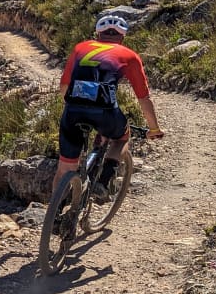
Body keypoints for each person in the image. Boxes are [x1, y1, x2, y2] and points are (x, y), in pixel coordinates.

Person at [53, 15, 164, 201]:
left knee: (64, 168)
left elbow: (64, 88)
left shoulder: (80, 48)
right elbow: (143, 99)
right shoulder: (129, 55)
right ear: (122, 37)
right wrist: (154, 129)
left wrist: (75, 109)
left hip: (73, 110)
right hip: (105, 113)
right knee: (121, 137)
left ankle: (55, 219)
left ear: (97, 34)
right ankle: (103, 180)